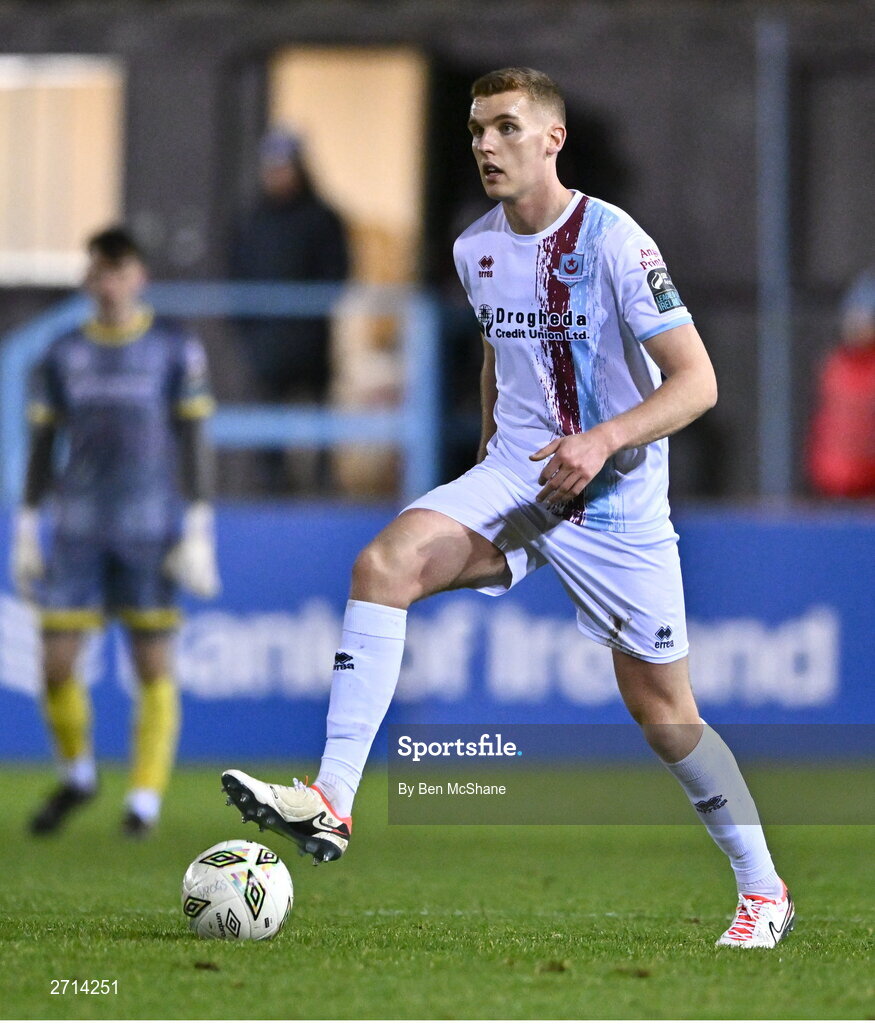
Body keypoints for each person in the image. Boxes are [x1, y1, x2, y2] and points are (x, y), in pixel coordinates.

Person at [222, 68, 794, 948]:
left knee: (663, 714)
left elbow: (699, 383)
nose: (486, 145)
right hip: (516, 477)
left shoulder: (614, 241)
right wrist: (490, 460)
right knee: (383, 565)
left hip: (615, 503)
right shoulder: (474, 249)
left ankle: (763, 891)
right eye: (475, 130)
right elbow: (500, 353)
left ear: (550, 140)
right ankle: (331, 800)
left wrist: (601, 442)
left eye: (505, 128)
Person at [10, 226, 220, 837]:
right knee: (54, 664)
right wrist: (26, 523)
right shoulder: (62, 353)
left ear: (140, 277)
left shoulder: (174, 348)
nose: (109, 283)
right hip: (76, 526)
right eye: (100, 272)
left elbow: (195, 437)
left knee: (152, 664)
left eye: (120, 271)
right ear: (87, 279)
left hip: (149, 526)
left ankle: (144, 802)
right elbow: (43, 444)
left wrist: (200, 522)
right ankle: (78, 773)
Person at [230, 128, 349, 493]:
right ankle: (272, 484)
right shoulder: (252, 221)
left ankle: (321, 484)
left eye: (286, 166)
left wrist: (310, 315)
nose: (280, 175)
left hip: (310, 343)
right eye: (273, 167)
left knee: (319, 419)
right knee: (268, 422)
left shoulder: (322, 218)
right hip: (267, 345)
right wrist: (250, 328)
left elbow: (338, 272)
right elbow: (236, 275)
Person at [807, 267, 875, 498]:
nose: (856, 326)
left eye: (865, 318)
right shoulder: (834, 365)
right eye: (852, 317)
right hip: (830, 489)